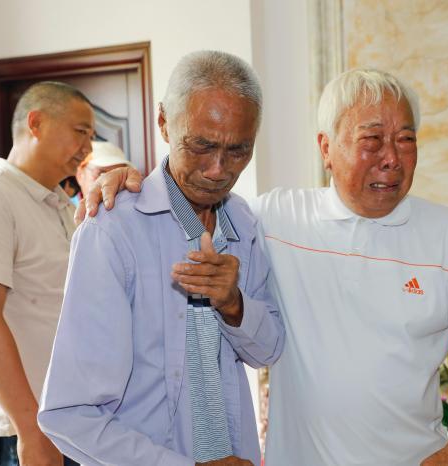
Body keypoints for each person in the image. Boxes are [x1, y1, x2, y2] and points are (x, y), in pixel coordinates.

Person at [84, 68, 448, 465]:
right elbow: (190, 199)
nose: (392, 158)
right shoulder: (273, 219)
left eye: (406, 139)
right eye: (372, 140)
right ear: (326, 148)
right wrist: (131, 182)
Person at [38, 51, 285, 466]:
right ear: (164, 122)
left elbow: (267, 350)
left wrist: (234, 304)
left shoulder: (243, 222)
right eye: (202, 145)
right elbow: (69, 414)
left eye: (239, 150)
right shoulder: (113, 230)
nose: (218, 170)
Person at [0, 81, 97, 466]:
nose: (88, 147)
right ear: (36, 123)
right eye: (80, 132)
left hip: (77, 417)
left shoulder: (62, 204)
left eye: (91, 137)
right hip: (31, 427)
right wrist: (30, 427)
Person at [72, 140, 133, 205]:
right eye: (101, 174)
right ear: (79, 175)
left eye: (119, 177)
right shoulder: (67, 207)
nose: (110, 183)